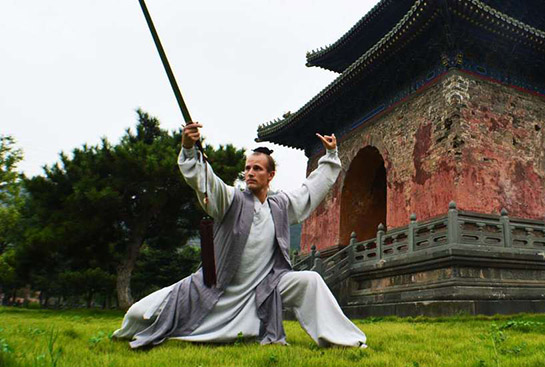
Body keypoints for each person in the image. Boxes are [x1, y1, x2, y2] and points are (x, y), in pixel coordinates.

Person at [113, 122, 366, 349]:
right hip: (216, 289)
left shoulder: (281, 206)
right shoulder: (230, 199)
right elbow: (207, 181)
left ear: (270, 175)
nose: (250, 173)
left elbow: (310, 190)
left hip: (263, 290)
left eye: (257, 168)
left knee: (309, 280)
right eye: (247, 168)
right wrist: (189, 149)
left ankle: (345, 340)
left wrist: (330, 156)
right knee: (137, 314)